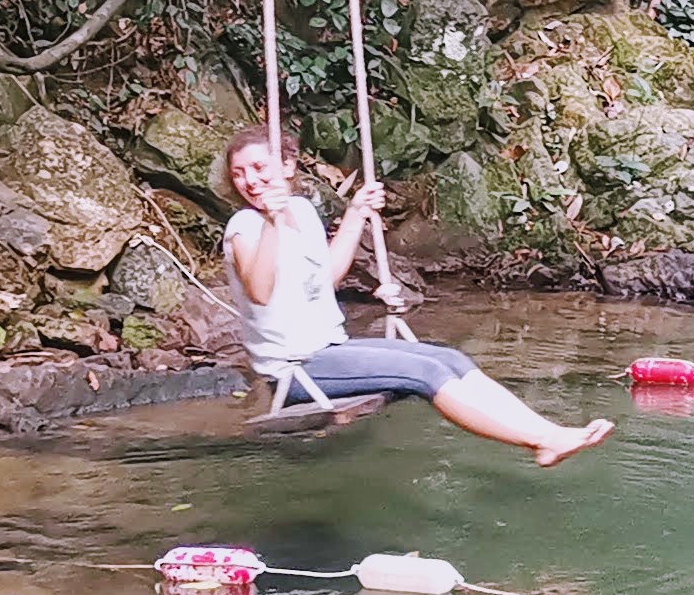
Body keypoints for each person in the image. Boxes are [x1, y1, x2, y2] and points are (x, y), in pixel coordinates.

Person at [219, 126, 610, 465]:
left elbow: (327, 278)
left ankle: (549, 431)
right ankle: (540, 442)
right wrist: (271, 223)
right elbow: (260, 292)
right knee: (425, 373)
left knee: (448, 357)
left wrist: (355, 213)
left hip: (329, 349)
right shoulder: (244, 227)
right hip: (295, 369)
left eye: (258, 168)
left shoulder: (301, 211)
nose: (250, 181)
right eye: (239, 173)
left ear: (288, 166)